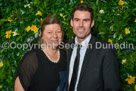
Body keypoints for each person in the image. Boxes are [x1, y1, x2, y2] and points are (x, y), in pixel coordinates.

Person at [66, 3, 122, 91]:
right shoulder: (68, 46)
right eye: (77, 20)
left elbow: (113, 88)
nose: (81, 25)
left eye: (85, 20)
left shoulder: (106, 50)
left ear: (92, 23)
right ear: (71, 22)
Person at [14, 15, 66, 91]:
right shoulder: (32, 58)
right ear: (41, 34)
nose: (55, 36)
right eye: (49, 32)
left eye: (58, 32)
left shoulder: (66, 56)